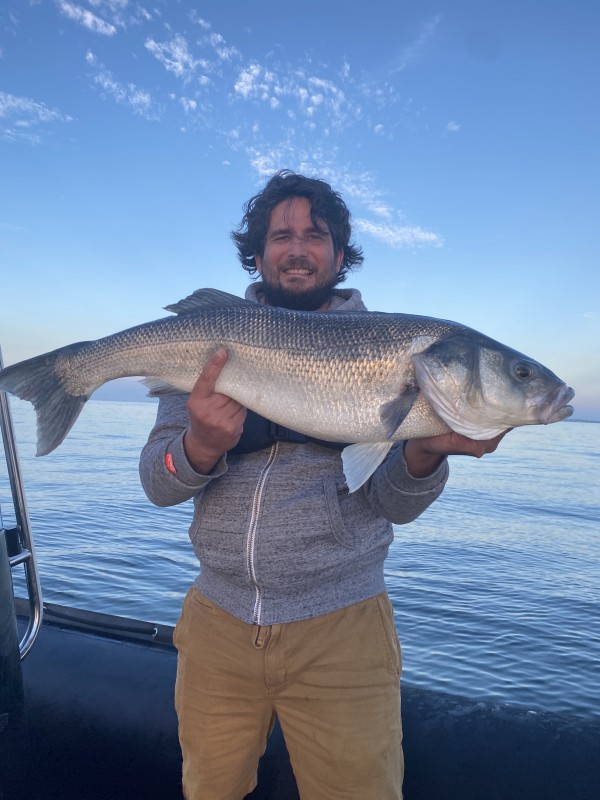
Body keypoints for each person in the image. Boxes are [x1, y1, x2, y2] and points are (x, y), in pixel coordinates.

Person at [139, 170, 507, 800]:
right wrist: (197, 448)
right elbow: (159, 483)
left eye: (316, 235)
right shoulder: (208, 343)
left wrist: (420, 460)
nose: (298, 248)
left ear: (340, 255)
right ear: (258, 255)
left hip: (343, 632)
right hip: (215, 629)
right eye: (281, 235)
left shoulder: (395, 350)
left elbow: (391, 502)